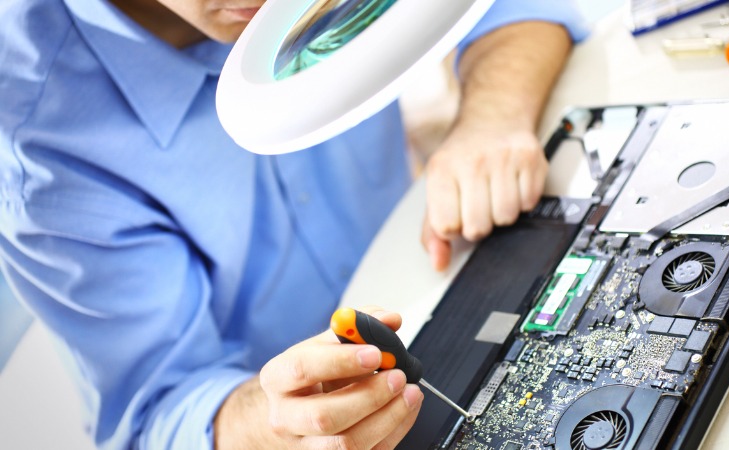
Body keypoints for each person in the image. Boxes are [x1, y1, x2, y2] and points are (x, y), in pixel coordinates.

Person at [0, 0, 588, 448]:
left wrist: (489, 118)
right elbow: (155, 410)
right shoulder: (36, 142)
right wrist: (278, 416)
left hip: (442, 265)